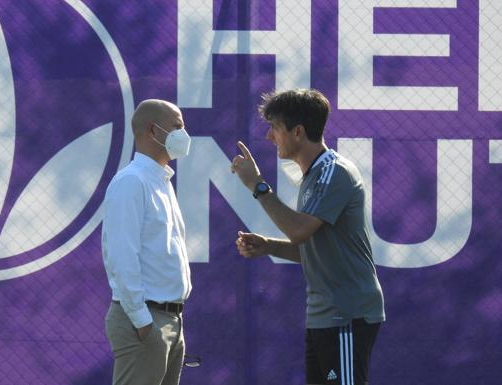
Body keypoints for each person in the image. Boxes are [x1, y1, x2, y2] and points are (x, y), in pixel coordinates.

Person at [230, 89, 385, 385]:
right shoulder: (314, 175)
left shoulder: (333, 172)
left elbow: (300, 231)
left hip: (346, 314)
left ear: (298, 132)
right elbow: (314, 248)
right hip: (325, 316)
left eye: (274, 128)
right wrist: (269, 246)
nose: (268, 137)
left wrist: (258, 186)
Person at [102, 99, 192, 385]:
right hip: (146, 319)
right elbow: (121, 256)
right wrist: (142, 322)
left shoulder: (160, 181)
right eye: (178, 127)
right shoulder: (132, 182)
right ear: (153, 131)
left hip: (170, 320)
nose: (184, 134)